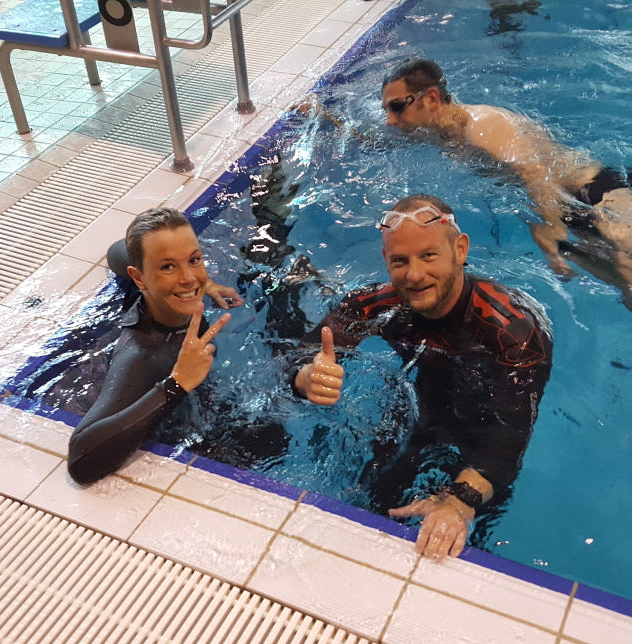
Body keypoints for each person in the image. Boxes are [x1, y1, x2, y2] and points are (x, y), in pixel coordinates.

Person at [293, 194, 552, 559]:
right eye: (400, 261)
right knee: (375, 503)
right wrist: (304, 378)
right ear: (386, 259)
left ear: (460, 250)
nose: (414, 275)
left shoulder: (512, 330)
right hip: (420, 411)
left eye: (428, 256)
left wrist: (459, 502)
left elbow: (509, 436)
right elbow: (299, 355)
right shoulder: (374, 306)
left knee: (463, 537)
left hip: (484, 429)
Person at [380, 58, 632, 306]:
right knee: (627, 289)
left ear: (432, 98)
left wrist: (549, 227)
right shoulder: (438, 132)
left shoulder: (484, 127)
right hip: (567, 210)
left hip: (596, 192)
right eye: (386, 110)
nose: (389, 120)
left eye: (397, 107)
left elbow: (535, 174)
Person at [68, 207, 237, 484]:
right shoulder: (141, 356)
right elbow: (80, 464)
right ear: (139, 278)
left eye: (194, 260)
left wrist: (206, 284)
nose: (188, 277)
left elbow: (116, 252)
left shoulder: (177, 288)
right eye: (168, 266)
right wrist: (178, 383)